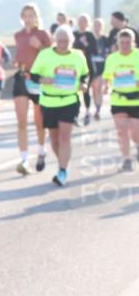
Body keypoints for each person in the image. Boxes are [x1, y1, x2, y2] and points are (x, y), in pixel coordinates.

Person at [30, 25, 89, 186]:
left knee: (65, 137)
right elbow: (34, 75)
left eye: (67, 41)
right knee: (54, 139)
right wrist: (44, 80)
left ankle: (62, 170)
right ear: (55, 40)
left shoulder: (78, 56)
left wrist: (84, 84)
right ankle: (63, 163)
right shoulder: (45, 54)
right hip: (49, 101)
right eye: (60, 40)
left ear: (72, 41)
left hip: (69, 100)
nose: (63, 44)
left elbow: (84, 74)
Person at [13, 4, 52, 175]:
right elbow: (20, 53)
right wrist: (16, 61)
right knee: (21, 122)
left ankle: (42, 151)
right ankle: (24, 159)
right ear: (22, 17)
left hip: (38, 80)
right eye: (25, 15)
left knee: (39, 122)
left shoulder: (43, 35)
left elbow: (52, 56)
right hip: (22, 77)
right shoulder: (18, 35)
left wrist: (40, 47)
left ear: (36, 17)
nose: (28, 18)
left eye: (31, 15)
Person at [103, 28, 139, 171]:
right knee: (121, 131)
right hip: (118, 98)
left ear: (133, 43)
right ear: (117, 43)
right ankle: (127, 159)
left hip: (136, 100)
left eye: (128, 42)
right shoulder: (112, 58)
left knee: (136, 133)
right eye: (122, 42)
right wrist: (106, 85)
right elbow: (107, 76)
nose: (124, 45)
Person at [73, 13, 99, 125]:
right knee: (74, 90)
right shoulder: (73, 34)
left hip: (87, 66)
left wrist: (86, 44)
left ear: (87, 23)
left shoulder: (90, 35)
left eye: (84, 21)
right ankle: (74, 113)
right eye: (80, 21)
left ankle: (87, 112)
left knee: (85, 90)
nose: (81, 23)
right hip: (74, 67)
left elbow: (95, 51)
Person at [92, 17, 111, 121]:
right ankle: (96, 106)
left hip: (101, 67)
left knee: (98, 88)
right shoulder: (90, 39)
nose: (97, 27)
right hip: (91, 67)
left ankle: (98, 110)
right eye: (95, 25)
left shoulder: (105, 39)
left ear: (102, 27)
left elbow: (108, 54)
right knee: (94, 90)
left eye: (99, 25)